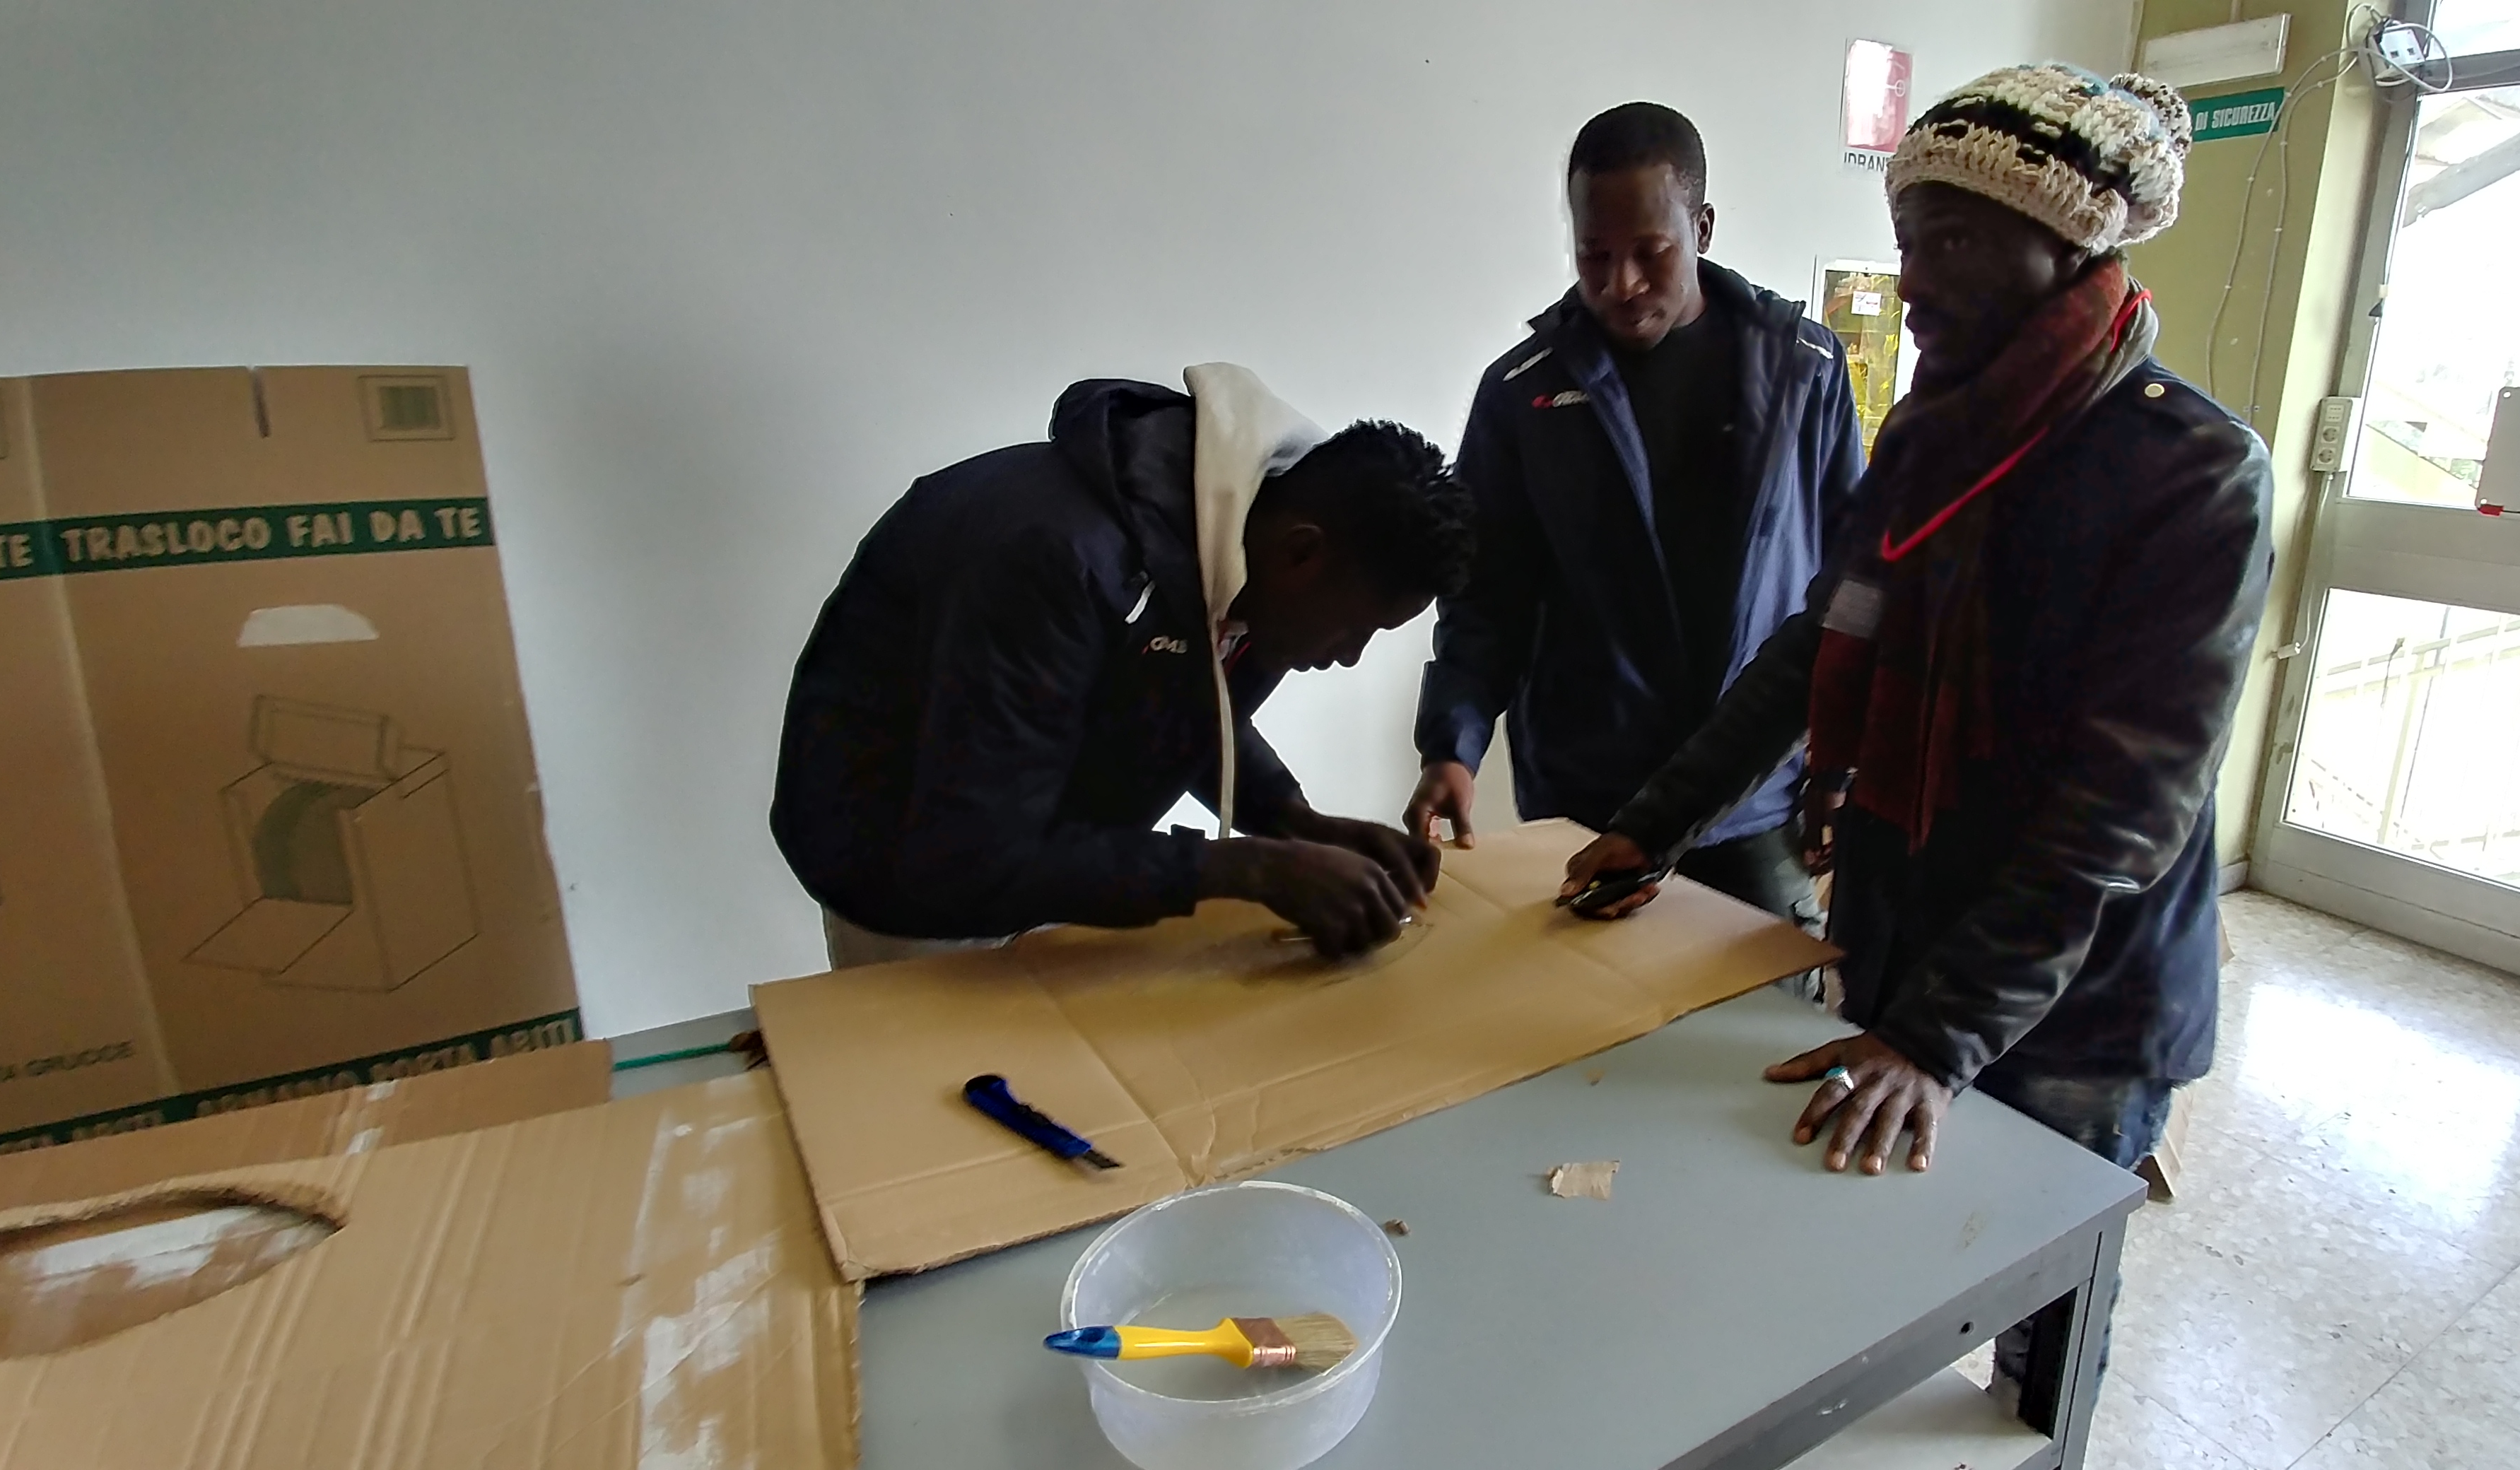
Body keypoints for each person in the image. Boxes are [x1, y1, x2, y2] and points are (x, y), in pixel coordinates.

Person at [1559, 65, 2271, 1428]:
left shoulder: (2192, 473)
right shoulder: (1933, 434)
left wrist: (1938, 1041)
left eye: (1950, 240)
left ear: (2066, 245)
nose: (1915, 278)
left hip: (2073, 1004)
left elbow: (2121, 810)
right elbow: (1823, 640)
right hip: (1906, 935)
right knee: (1876, 1264)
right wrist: (1659, 819)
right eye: (1906, 239)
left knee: (2034, 1324)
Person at [773, 365, 1475, 963]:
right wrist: (1251, 868)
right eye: (1356, 629)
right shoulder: (1053, 559)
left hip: (1043, 869)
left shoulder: (1240, 551)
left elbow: (1181, 707)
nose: (1347, 656)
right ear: (1302, 552)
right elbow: (968, 857)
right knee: (955, 1082)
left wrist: (1294, 821)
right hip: (910, 897)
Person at [1405, 102, 1865, 934]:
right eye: (1594, 255)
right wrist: (1451, 744)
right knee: (1582, 1007)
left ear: (1702, 228)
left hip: (1754, 798)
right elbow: (1485, 598)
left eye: (1651, 253)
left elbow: (1850, 587)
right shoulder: (1522, 394)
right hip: (1588, 797)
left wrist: (1837, 760)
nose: (1620, 284)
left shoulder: (1806, 369)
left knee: (1764, 1009)